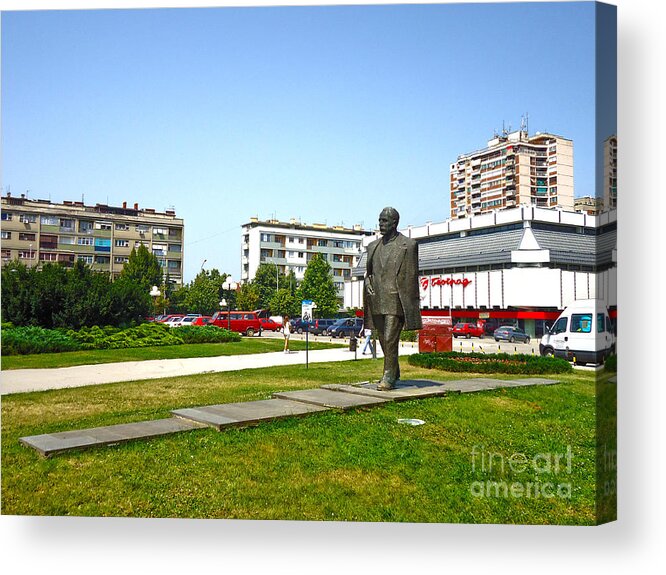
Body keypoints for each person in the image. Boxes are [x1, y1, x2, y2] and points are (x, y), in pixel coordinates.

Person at [363, 207, 422, 390]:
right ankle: (394, 370)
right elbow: (369, 273)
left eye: (385, 221)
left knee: (389, 338)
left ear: (395, 223)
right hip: (377, 298)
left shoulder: (408, 245)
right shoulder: (373, 246)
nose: (381, 224)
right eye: (380, 220)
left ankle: (388, 376)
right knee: (382, 338)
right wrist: (367, 283)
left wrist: (411, 306)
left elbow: (412, 276)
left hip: (396, 299)